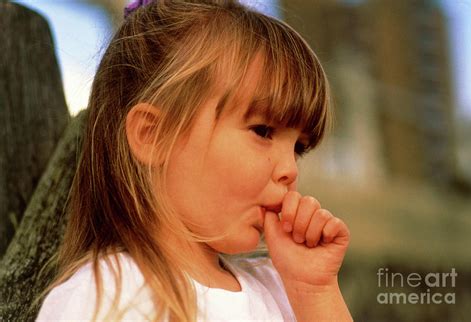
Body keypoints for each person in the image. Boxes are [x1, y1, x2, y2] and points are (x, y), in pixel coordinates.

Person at [36, 0, 352, 321]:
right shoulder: (104, 296)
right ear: (153, 135)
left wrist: (316, 291)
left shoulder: (285, 289)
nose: (290, 170)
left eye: (298, 148)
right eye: (263, 130)